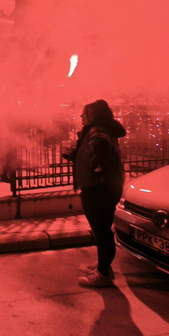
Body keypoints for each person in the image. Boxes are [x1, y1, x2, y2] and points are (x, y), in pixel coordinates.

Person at [63, 99, 126, 288]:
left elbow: (97, 155)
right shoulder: (98, 131)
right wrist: (73, 155)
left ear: (93, 115)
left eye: (84, 113)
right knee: (102, 230)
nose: (81, 116)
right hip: (103, 188)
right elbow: (89, 157)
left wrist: (96, 165)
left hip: (99, 190)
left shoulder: (98, 134)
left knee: (102, 232)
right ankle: (103, 265)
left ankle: (103, 274)